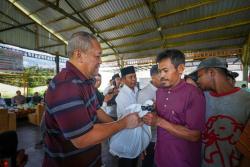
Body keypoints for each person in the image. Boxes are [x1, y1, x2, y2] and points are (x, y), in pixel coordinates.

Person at [42, 31, 141, 167]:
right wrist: (123, 124)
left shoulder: (86, 81)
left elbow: (97, 110)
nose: (100, 61)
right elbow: (83, 139)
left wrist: (118, 125)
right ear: (79, 55)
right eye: (97, 56)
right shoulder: (66, 86)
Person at [143, 49, 206, 167]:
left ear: (180, 69)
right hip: (160, 158)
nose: (161, 75)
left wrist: (159, 121)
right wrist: (152, 112)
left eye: (165, 71)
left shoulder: (193, 94)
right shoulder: (159, 92)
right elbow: (162, 114)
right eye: (160, 71)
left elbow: (194, 135)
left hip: (183, 161)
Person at [191, 56, 250, 167]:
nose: (198, 80)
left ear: (212, 73)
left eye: (200, 76)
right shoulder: (202, 98)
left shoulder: (246, 101)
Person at [115, 66, 140, 167]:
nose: (134, 79)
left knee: (134, 161)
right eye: (131, 77)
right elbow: (130, 116)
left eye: (135, 76)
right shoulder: (122, 96)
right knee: (126, 161)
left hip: (136, 133)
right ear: (123, 80)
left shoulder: (136, 90)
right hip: (126, 134)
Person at [137, 64, 161, 167]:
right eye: (161, 75)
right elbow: (141, 114)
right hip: (150, 138)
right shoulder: (144, 93)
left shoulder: (164, 89)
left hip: (162, 136)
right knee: (149, 163)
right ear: (153, 77)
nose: (164, 77)